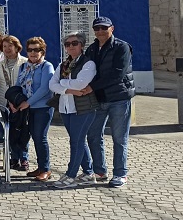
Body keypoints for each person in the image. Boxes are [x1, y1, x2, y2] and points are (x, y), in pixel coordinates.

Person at [82, 16, 135, 188]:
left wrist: (91, 87)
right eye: (97, 29)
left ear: (112, 28)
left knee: (119, 138)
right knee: (93, 135)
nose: (100, 31)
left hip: (119, 98)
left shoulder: (122, 47)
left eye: (104, 28)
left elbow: (117, 74)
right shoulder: (91, 49)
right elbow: (87, 71)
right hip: (99, 99)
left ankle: (120, 174)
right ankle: (99, 170)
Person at [49, 32, 99, 188]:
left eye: (74, 43)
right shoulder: (63, 64)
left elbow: (80, 84)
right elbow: (52, 85)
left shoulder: (88, 64)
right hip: (66, 107)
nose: (71, 46)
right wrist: (70, 90)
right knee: (78, 140)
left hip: (83, 108)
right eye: (67, 44)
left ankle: (70, 176)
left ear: (82, 45)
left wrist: (63, 83)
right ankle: (89, 173)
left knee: (76, 142)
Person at [16, 37, 55, 182]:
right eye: (30, 50)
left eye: (36, 50)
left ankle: (46, 169)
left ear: (42, 51)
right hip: (27, 108)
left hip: (42, 108)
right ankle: (40, 167)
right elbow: (18, 85)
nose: (33, 53)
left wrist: (28, 102)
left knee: (40, 137)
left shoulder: (47, 66)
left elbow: (45, 89)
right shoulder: (24, 66)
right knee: (33, 137)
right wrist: (14, 101)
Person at [0, 35, 29, 171]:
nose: (7, 49)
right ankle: (14, 158)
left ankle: (24, 158)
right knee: (11, 131)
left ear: (16, 47)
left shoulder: (25, 62)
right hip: (5, 103)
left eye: (10, 46)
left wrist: (19, 102)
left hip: (22, 103)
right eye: (4, 46)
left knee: (24, 131)